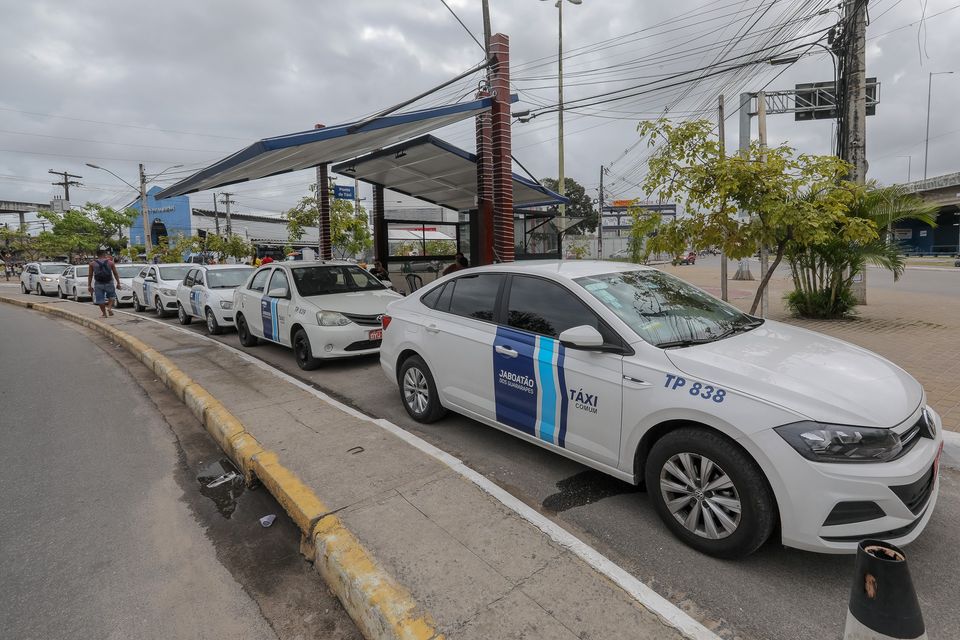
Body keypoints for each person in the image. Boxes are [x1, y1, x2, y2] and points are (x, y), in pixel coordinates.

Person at [87, 248, 122, 318]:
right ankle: (109, 308)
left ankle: (104, 314)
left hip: (98, 283)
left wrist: (89, 285)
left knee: (100, 299)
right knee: (112, 296)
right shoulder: (110, 263)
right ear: (104, 254)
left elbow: (90, 275)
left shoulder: (92, 264)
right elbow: (115, 273)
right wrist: (118, 283)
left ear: (97, 255)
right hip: (109, 282)